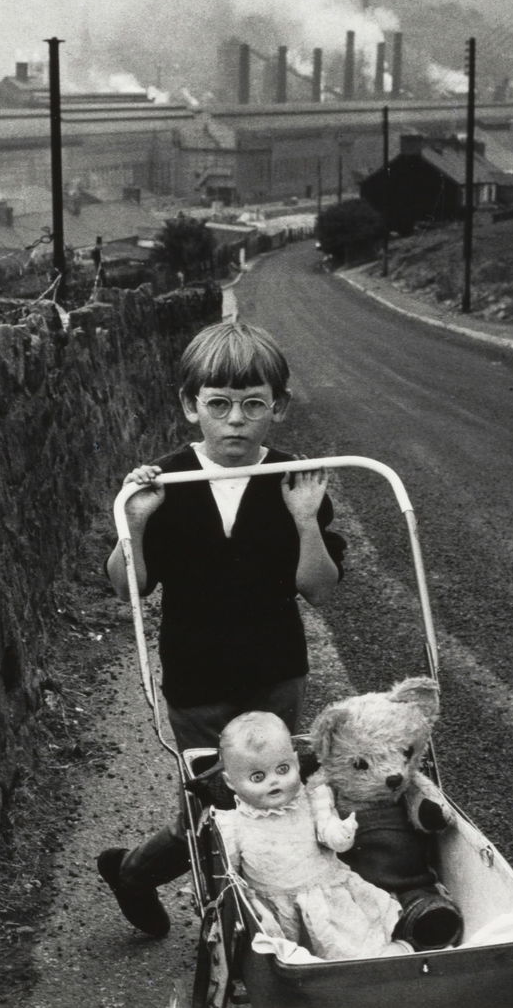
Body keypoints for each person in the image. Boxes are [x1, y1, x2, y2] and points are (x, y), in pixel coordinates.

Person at [96, 320, 346, 937]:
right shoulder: (165, 480)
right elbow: (127, 584)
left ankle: (270, 921)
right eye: (219, 405)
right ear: (191, 407)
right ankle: (145, 877)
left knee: (278, 799)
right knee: (213, 804)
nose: (236, 420)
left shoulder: (296, 479)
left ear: (277, 409)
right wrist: (138, 520)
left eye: (253, 405)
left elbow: (319, 588)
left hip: (275, 672)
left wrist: (306, 521)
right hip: (197, 675)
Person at [213, 712, 406, 960]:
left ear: (295, 760)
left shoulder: (313, 798)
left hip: (325, 896)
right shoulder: (234, 824)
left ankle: (384, 957)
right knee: (285, 955)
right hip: (276, 905)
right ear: (231, 782)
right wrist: (252, 907)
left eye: (282, 769)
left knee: (352, 942)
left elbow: (330, 835)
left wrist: (342, 833)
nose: (274, 781)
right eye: (257, 777)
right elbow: (232, 874)